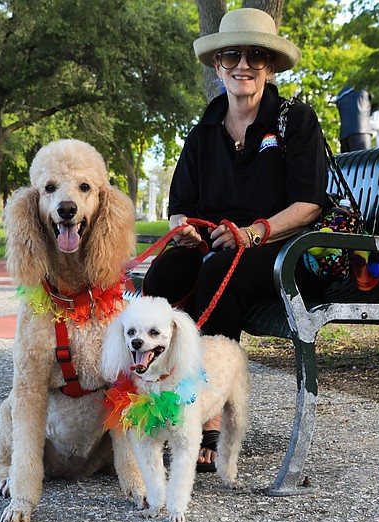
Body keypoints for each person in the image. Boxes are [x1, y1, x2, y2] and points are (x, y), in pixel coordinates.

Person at [142, 7, 329, 471]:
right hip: (213, 245)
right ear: (218, 63)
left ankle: (209, 415)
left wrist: (253, 232)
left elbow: (310, 204)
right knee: (164, 274)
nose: (243, 64)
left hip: (281, 251)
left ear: (270, 64)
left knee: (218, 270)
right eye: (232, 55)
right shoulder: (203, 132)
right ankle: (163, 400)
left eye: (255, 56)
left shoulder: (295, 121)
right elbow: (180, 205)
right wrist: (183, 229)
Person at [335, 86, 372, 152]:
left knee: (348, 161)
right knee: (365, 160)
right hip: (362, 131)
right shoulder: (364, 87)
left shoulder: (340, 94)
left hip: (344, 135)